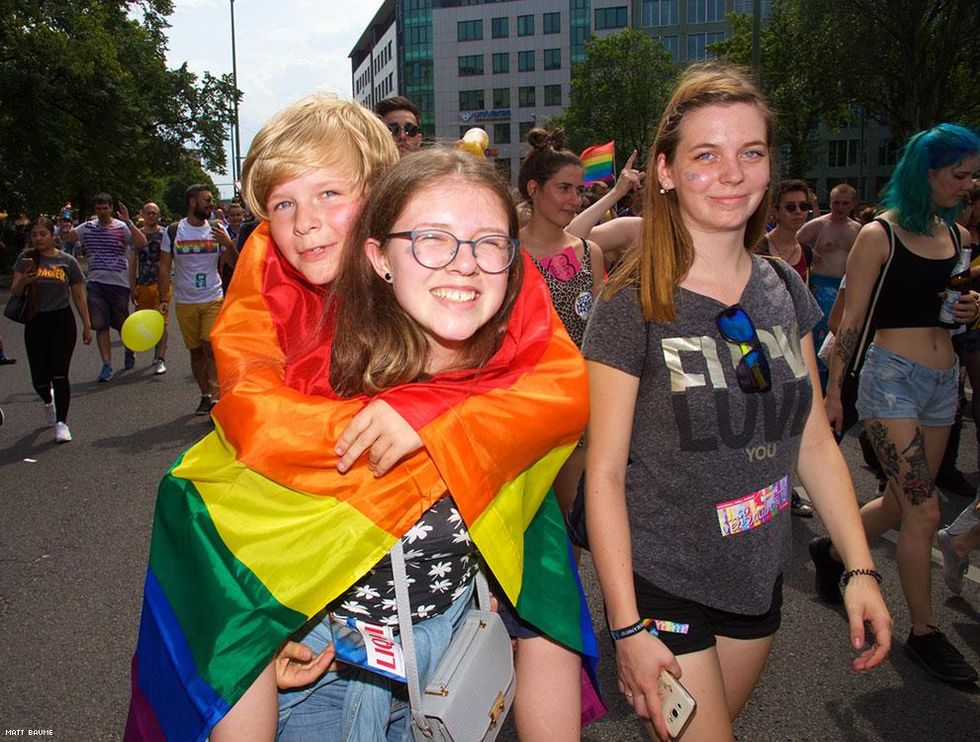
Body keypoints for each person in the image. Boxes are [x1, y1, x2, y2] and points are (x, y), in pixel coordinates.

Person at [126, 98, 592, 742]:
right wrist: (268, 624)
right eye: (281, 203)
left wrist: (427, 414)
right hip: (316, 639)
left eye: (328, 194)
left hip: (447, 640)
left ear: (378, 198)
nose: (304, 223)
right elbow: (251, 410)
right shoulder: (270, 265)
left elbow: (555, 383)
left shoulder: (468, 269)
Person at [583, 64, 892, 741]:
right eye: (705, 155)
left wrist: (859, 568)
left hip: (756, 579)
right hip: (665, 581)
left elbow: (810, 438)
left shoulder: (782, 285)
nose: (733, 173)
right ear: (664, 171)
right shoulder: (632, 302)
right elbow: (603, 473)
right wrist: (627, 623)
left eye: (750, 152)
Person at [821, 123, 980, 686]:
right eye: (959, 173)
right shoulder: (879, 235)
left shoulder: (959, 237)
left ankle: (831, 551)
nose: (969, 183)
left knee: (895, 502)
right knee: (924, 510)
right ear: (927, 171)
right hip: (890, 381)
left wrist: (971, 310)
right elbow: (852, 320)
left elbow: (953, 305)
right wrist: (835, 392)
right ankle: (925, 632)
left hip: (942, 384)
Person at [10, 217, 93, 442]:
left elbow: (78, 294)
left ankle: (62, 423)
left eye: (42, 234)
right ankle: (48, 400)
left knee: (60, 373)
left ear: (52, 235)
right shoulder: (25, 260)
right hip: (36, 322)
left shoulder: (67, 261)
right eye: (34, 235)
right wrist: (24, 281)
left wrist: (87, 325)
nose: (38, 238)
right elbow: (15, 292)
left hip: (61, 322)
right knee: (39, 378)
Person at [158, 184, 234, 415]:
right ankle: (205, 395)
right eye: (207, 200)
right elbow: (164, 267)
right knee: (196, 352)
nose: (211, 204)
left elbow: (235, 263)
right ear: (192, 202)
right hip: (185, 301)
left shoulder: (217, 228)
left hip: (213, 296)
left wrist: (228, 243)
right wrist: (163, 299)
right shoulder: (173, 231)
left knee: (211, 347)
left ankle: (217, 399)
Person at [60, 193, 145, 382]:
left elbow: (141, 242)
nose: (102, 212)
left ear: (110, 207)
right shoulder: (88, 228)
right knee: (101, 325)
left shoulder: (121, 227)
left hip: (119, 282)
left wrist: (129, 221)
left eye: (105, 208)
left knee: (123, 323)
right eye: (98, 208)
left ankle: (129, 349)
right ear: (95, 210)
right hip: (96, 282)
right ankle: (106, 363)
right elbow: (67, 238)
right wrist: (65, 218)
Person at [796, 183, 861, 387]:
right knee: (817, 342)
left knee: (839, 339)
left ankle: (834, 385)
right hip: (820, 287)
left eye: (845, 203)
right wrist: (807, 254)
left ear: (853, 204)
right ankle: (816, 385)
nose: (839, 207)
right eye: (835, 203)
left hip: (844, 288)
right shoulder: (819, 225)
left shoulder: (857, 229)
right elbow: (792, 241)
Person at [129, 202, 169, 374]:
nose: (151, 215)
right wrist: (132, 286)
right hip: (143, 283)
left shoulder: (164, 234)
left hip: (161, 284)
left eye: (154, 213)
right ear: (143, 215)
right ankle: (142, 349)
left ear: (158, 215)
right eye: (148, 213)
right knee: (143, 321)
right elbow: (133, 262)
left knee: (162, 322)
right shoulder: (138, 235)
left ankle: (161, 358)